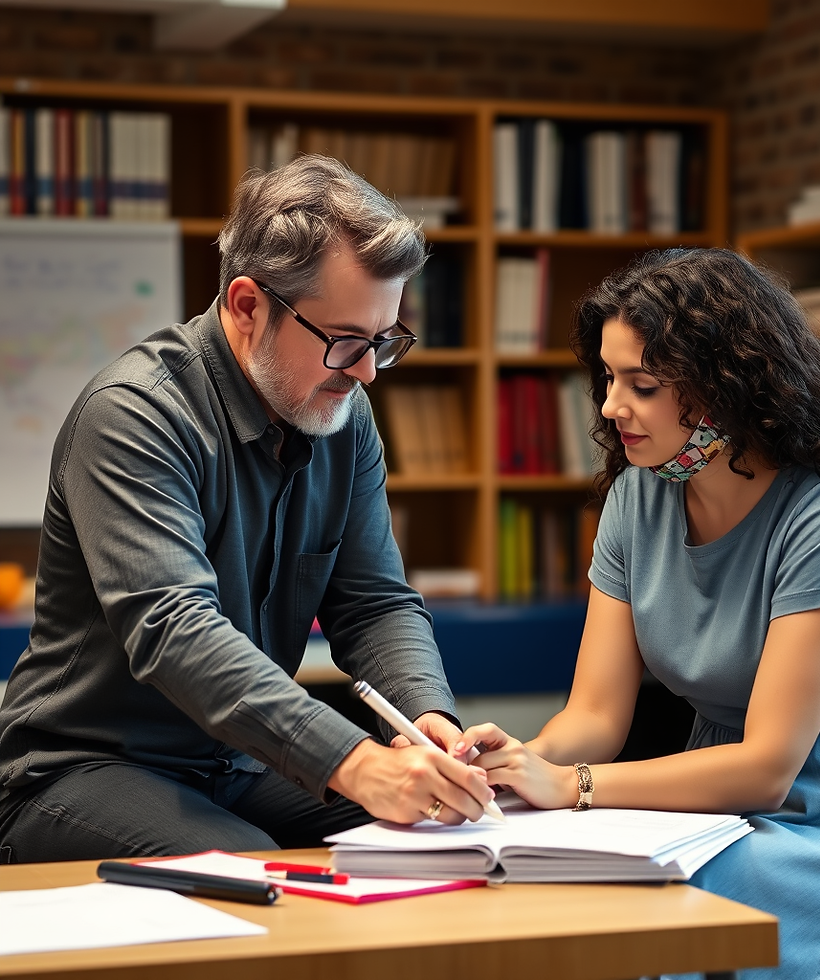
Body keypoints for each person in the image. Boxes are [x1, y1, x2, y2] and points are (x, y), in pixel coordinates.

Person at [456, 248, 820, 979]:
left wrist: (574, 788)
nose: (608, 406)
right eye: (608, 377)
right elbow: (595, 714)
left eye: (643, 384)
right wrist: (518, 767)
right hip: (707, 797)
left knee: (650, 915)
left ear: (727, 387)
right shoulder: (637, 494)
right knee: (536, 885)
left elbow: (765, 769)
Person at [0, 154, 495, 864]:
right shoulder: (133, 415)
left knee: (450, 833)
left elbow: (374, 603)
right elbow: (176, 630)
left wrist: (426, 723)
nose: (363, 372)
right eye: (346, 341)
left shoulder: (341, 415)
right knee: (252, 873)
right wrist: (354, 761)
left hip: (238, 760)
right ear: (246, 306)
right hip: (80, 769)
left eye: (384, 343)